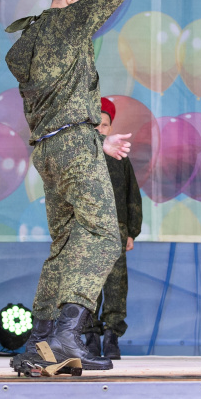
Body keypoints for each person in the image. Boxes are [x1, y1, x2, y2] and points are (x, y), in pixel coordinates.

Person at [5, 0, 185, 371]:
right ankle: (69, 335)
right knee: (105, 234)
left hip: (49, 148)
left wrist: (95, 140)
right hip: (72, 144)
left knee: (65, 242)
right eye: (85, 7)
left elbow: (60, 104)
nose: (92, 18)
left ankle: (40, 343)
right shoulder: (66, 23)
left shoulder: (30, 39)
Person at [83, 97, 143, 360]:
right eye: (94, 125)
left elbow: (132, 195)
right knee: (87, 284)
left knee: (116, 285)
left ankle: (112, 338)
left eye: (104, 125)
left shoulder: (120, 159)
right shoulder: (79, 158)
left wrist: (131, 230)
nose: (99, 129)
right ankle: (91, 338)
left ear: (111, 127)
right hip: (85, 231)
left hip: (115, 231)